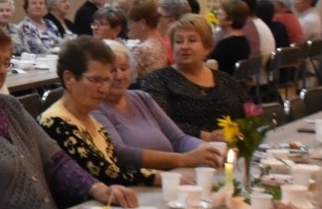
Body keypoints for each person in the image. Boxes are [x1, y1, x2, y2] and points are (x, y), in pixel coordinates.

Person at [0, 23, 135, 209]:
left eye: (6, 62)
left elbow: (56, 161)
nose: (1, 70)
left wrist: (97, 188)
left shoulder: (10, 106)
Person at [38, 38, 157, 187]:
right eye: (95, 80)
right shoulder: (55, 123)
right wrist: (156, 177)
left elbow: (115, 169)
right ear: (69, 79)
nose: (104, 89)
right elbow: (105, 175)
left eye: (107, 79)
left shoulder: (94, 122)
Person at [91, 41, 221, 174]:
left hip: (175, 175)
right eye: (112, 71)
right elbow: (121, 153)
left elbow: (179, 139)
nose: (119, 76)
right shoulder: (95, 108)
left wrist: (206, 149)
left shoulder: (142, 98)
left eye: (124, 69)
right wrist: (184, 159)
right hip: (142, 183)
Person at [136, 14, 252, 141]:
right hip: (182, 152)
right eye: (179, 41)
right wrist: (209, 136)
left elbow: (247, 116)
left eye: (192, 40)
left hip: (228, 149)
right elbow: (161, 124)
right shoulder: (158, 80)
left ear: (207, 48)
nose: (184, 46)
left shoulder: (225, 80)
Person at [124, 0, 167, 81]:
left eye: (130, 23)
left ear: (142, 23)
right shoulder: (159, 41)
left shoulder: (142, 49)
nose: (128, 27)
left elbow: (128, 79)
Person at [211, 0, 253, 76]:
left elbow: (213, 68)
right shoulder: (244, 41)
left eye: (220, 14)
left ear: (230, 20)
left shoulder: (225, 45)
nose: (217, 17)